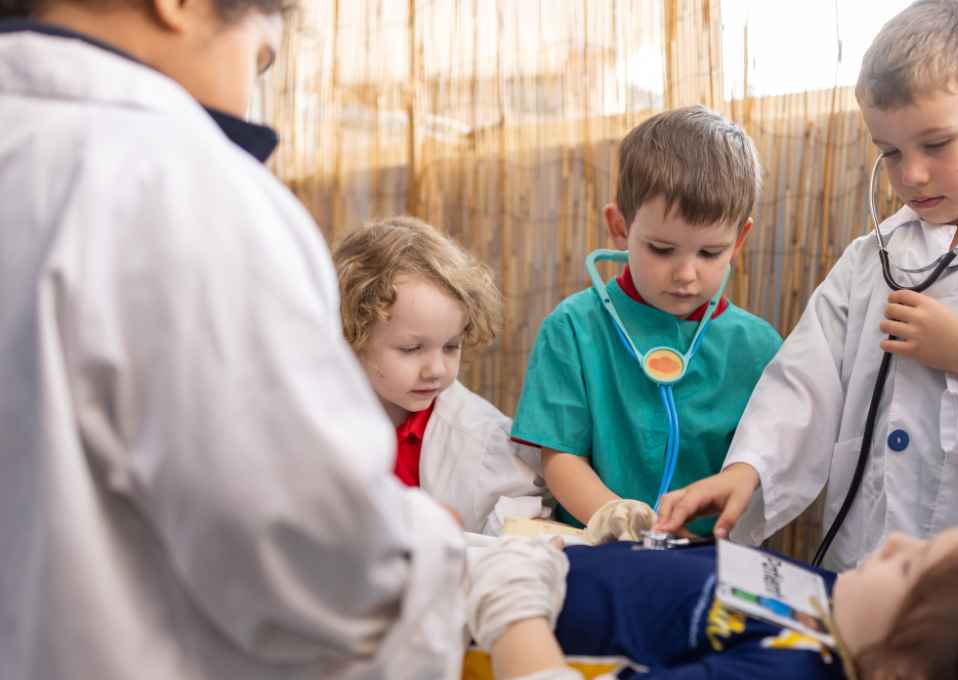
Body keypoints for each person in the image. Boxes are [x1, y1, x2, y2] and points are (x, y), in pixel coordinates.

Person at [0, 2, 465, 678]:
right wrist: (430, 542)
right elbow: (324, 568)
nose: (253, 100)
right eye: (259, 62)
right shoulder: (175, 182)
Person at [654, 0, 958, 569]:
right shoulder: (872, 260)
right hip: (868, 569)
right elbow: (805, 382)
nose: (910, 174)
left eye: (936, 145)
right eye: (889, 151)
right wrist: (751, 469)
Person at [511, 105, 783, 538]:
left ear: (740, 240)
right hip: (599, 545)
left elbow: (766, 463)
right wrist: (618, 521)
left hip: (709, 555)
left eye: (710, 253)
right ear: (620, 227)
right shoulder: (574, 330)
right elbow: (560, 456)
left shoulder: (758, 348)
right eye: (661, 249)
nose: (686, 274)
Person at [464, 519, 958, 680]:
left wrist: (512, 596)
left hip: (481, 622)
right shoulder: (833, 605)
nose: (898, 540)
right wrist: (619, 542)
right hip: (522, 567)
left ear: (904, 671)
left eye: (913, 568)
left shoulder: (791, 669)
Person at [332, 216, 549, 535]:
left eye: (451, 347)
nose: (436, 369)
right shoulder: (321, 417)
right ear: (352, 335)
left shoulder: (482, 437)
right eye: (410, 348)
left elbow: (527, 513)